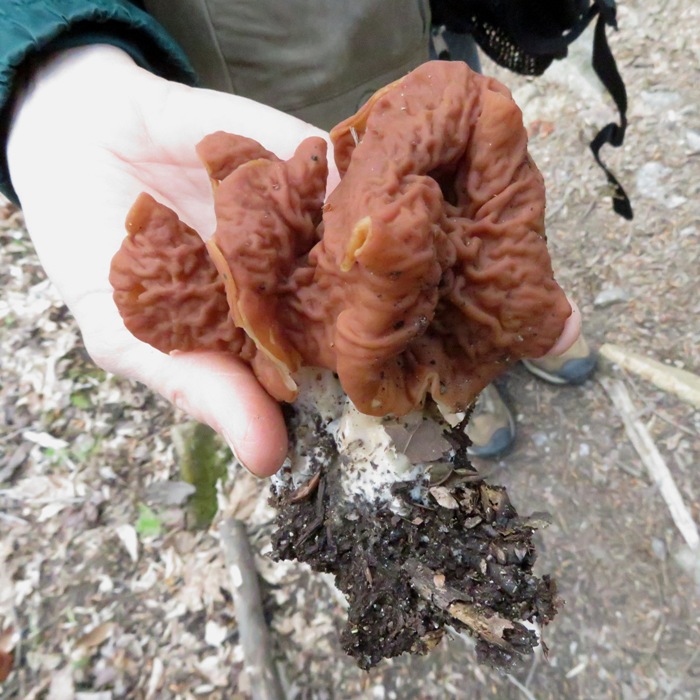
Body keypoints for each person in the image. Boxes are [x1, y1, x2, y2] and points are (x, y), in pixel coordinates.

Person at [0, 1, 593, 475]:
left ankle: (440, 370)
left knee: (420, 239)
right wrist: (48, 69)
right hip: (224, 49)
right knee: (366, 224)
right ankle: (412, 382)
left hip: (398, 26)